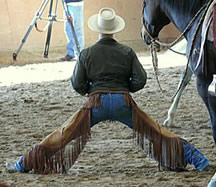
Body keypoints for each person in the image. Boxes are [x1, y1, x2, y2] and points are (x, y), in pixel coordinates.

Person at [6, 8, 213, 174]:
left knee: (63, 134)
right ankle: (200, 161)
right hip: (123, 102)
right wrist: (125, 88)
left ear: (98, 30)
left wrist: (91, 91)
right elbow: (141, 79)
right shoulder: (127, 51)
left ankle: (23, 163)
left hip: (96, 103)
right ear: (114, 30)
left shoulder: (87, 53)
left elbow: (76, 84)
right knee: (157, 132)